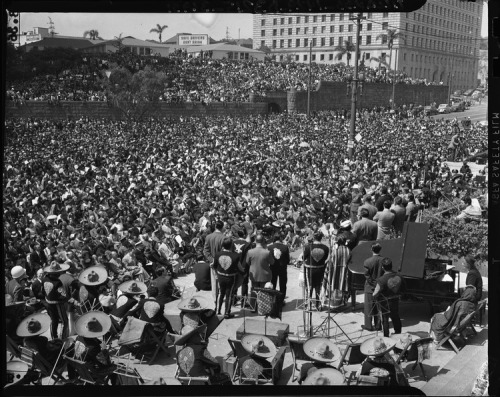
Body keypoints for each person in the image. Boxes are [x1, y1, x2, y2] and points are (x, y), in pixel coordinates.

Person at [42, 262, 77, 340]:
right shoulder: (57, 282)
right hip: (58, 304)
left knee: (53, 320)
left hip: (48, 303)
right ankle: (63, 338)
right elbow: (63, 295)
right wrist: (72, 300)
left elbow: (43, 291)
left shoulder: (44, 279)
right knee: (65, 321)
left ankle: (54, 337)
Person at [373, 257, 405, 337]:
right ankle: (398, 333)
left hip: (384, 303)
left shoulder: (381, 280)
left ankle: (386, 336)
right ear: (391, 266)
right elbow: (404, 289)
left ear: (383, 267)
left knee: (385, 319)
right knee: (395, 316)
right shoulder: (399, 276)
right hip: (395, 301)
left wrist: (375, 297)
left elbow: (375, 293)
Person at [213, 237, 243, 319]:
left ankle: (217, 310)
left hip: (220, 276)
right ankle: (227, 312)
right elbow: (240, 268)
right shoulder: (235, 256)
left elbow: (214, 266)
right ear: (231, 245)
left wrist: (217, 274)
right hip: (231, 278)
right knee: (229, 295)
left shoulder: (218, 254)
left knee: (220, 293)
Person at [246, 234, 275, 313]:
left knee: (254, 291)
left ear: (255, 241)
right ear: (263, 241)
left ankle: (253, 307)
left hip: (254, 274)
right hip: (265, 275)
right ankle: (263, 309)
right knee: (264, 293)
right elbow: (272, 262)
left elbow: (247, 262)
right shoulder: (267, 252)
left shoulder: (250, 252)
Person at [322, 235, 351, 309]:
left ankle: (332, 304)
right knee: (341, 287)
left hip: (334, 271)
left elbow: (330, 260)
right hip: (344, 272)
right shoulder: (348, 250)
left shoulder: (335, 250)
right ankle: (341, 303)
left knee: (333, 286)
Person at [303, 231, 329, 311]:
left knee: (309, 286)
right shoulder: (325, 248)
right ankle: (318, 305)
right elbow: (325, 259)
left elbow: (303, 258)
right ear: (321, 238)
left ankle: (309, 305)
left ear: (314, 238)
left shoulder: (308, 247)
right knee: (319, 287)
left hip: (310, 269)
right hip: (320, 269)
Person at [362, 243, 384, 331]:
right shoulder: (384, 260)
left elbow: (367, 276)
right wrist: (378, 285)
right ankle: (378, 326)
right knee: (378, 307)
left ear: (371, 250)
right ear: (380, 249)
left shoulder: (367, 261)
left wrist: (373, 284)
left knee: (368, 307)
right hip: (380, 287)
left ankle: (368, 326)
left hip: (369, 287)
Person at [203, 220, 226, 305]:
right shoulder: (224, 237)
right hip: (222, 263)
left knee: (214, 282)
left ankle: (215, 298)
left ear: (215, 226)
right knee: (221, 281)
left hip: (213, 263)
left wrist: (212, 260)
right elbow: (225, 252)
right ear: (222, 227)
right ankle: (220, 297)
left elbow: (205, 251)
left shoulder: (208, 237)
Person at [267, 232, 290, 302]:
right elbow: (288, 260)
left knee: (273, 283)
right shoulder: (285, 247)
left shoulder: (269, 247)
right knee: (282, 285)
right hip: (282, 268)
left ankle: (272, 299)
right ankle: (281, 300)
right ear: (280, 238)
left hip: (273, 268)